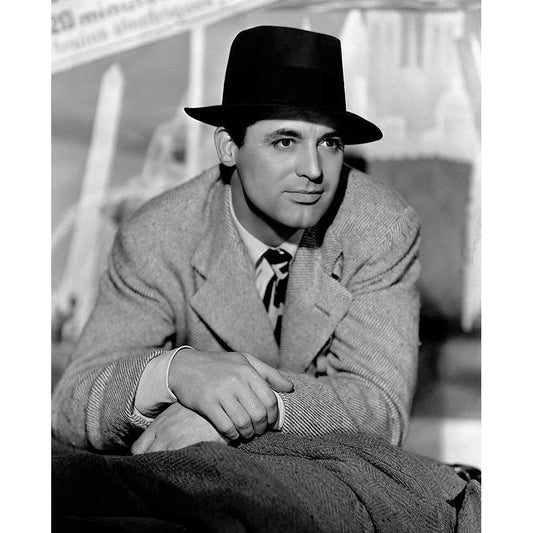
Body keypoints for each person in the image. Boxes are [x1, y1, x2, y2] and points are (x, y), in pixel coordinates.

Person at [52, 25, 421, 454]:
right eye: (285, 141)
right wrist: (174, 373)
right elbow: (72, 407)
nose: (314, 169)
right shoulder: (157, 236)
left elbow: (381, 413)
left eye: (330, 143)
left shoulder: (381, 229)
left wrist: (236, 412)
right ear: (229, 147)